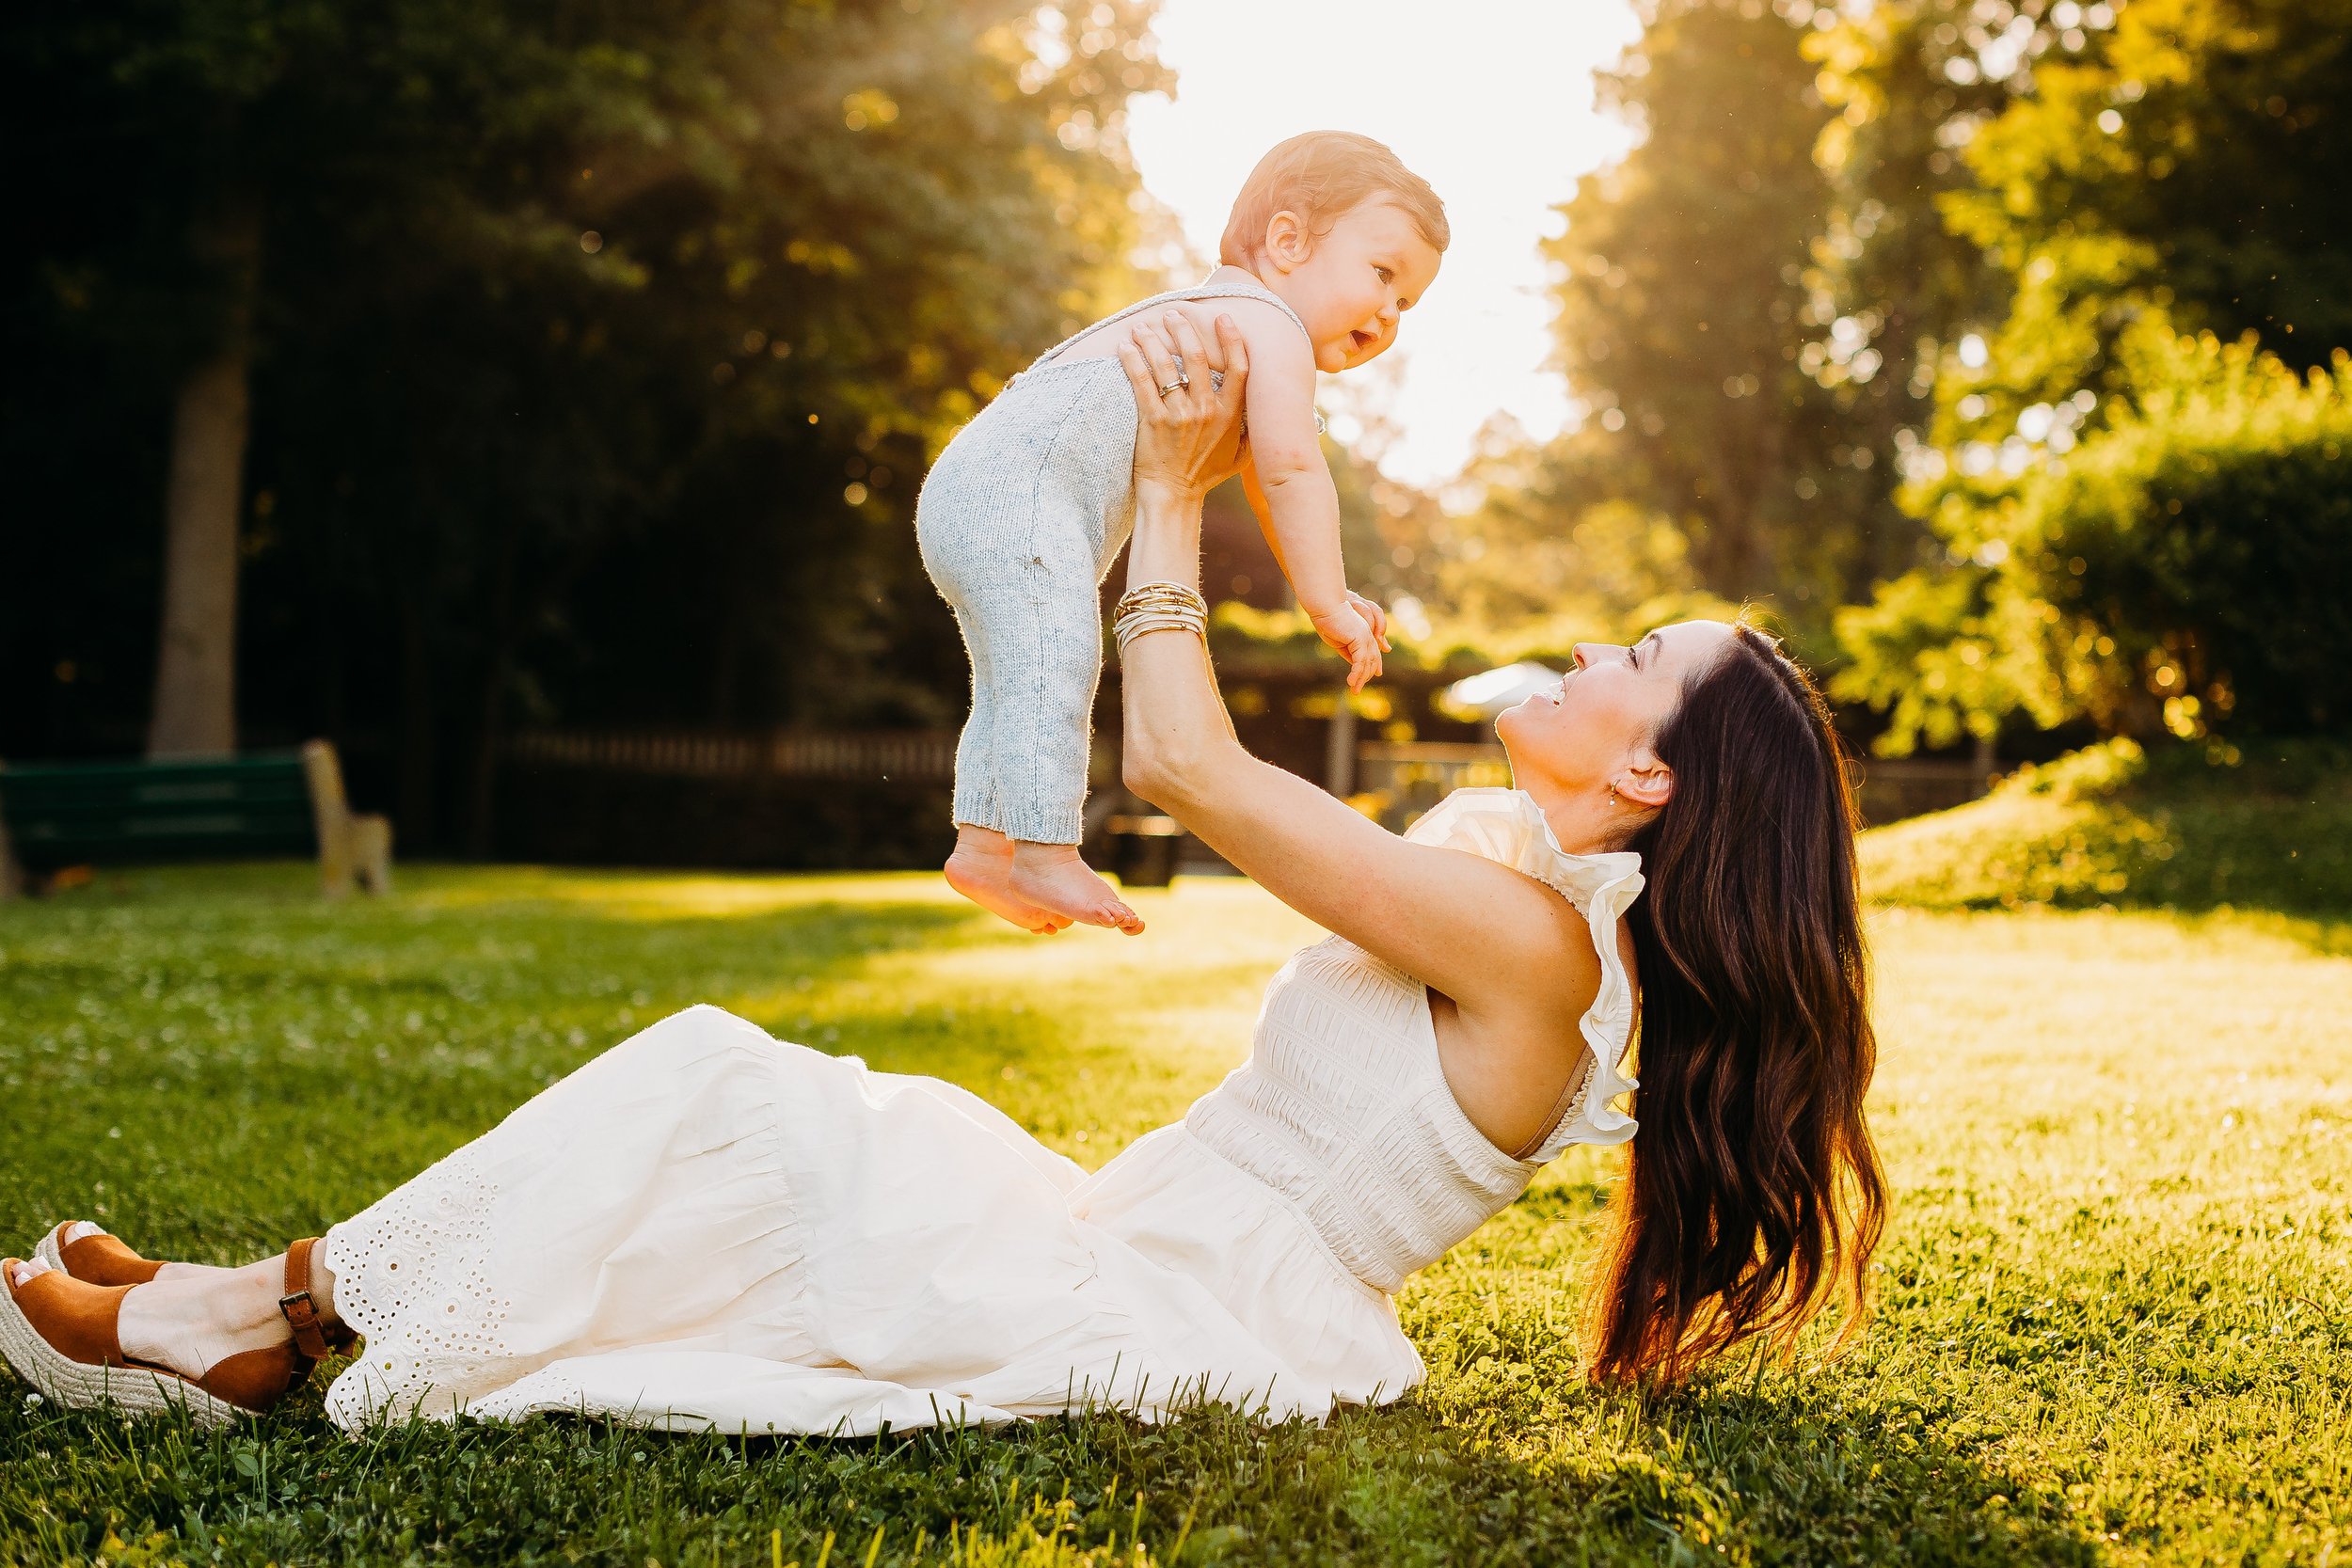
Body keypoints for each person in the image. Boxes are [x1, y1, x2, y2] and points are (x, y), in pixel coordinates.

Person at [0, 311, 1884, 1438]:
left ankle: (237, 1315)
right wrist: (1184, 472)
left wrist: (1164, 474)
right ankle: (252, 1305)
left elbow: (1173, 763)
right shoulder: (1520, 905)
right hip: (1114, 1227)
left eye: (1634, 654)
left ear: (1643, 770)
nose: (1584, 652)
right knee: (747, 1101)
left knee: (719, 1076)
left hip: (1171, 1296)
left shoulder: (1531, 945)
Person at [918, 131, 1445, 936]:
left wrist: (1319, 585)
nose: (1388, 311)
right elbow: (1293, 473)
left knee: (1014, 671)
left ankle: (983, 844)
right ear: (1287, 240)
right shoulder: (1266, 323)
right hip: (1016, 491)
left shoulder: (1214, 315)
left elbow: (1272, 489)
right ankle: (1047, 849)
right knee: (1054, 656)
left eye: (1406, 302)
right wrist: (1329, 602)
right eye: (1383, 273)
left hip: (981, 487)